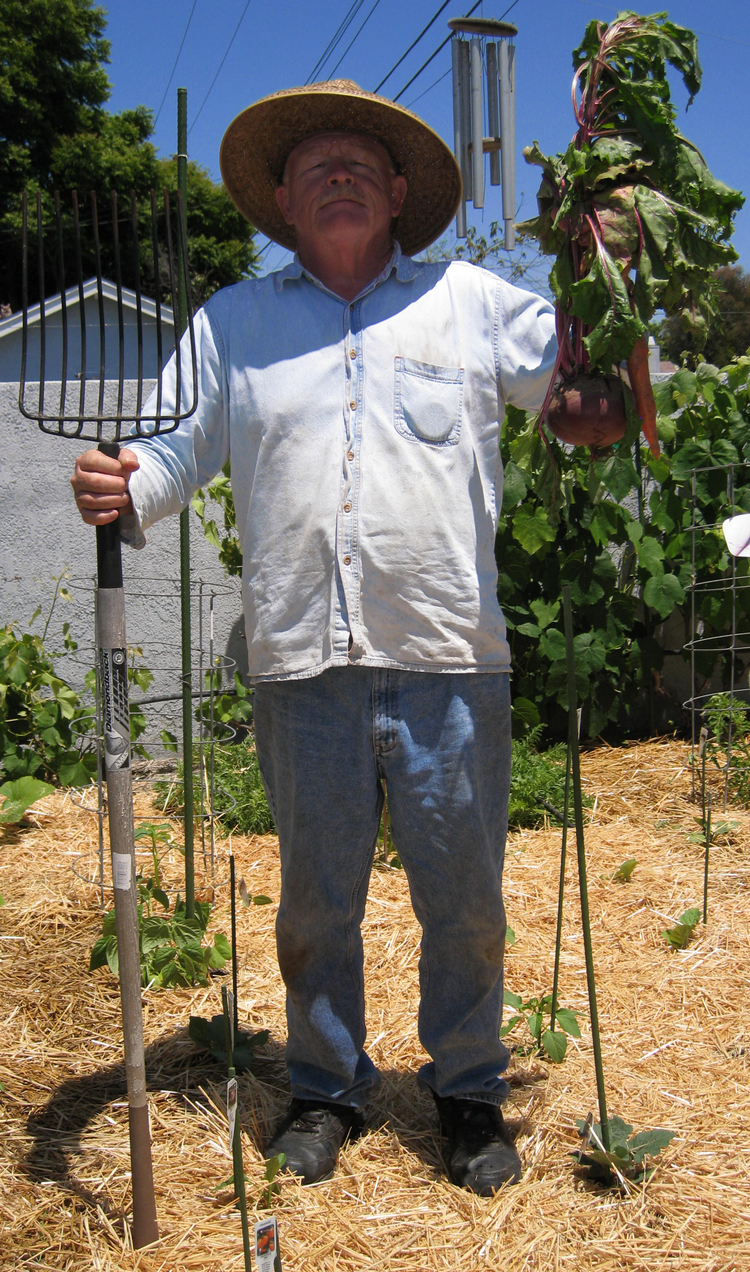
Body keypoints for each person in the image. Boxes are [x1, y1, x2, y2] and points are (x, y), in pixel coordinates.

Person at [71, 79, 556, 1195]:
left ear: (397, 192)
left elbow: (577, 387)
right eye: (313, 164)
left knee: (467, 900)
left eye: (359, 160)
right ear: (283, 202)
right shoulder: (232, 324)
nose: (337, 173)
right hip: (302, 664)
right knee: (315, 902)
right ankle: (327, 1087)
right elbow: (171, 447)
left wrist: (606, 321)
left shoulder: (473, 304)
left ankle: (470, 1092)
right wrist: (124, 479)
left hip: (448, 660)